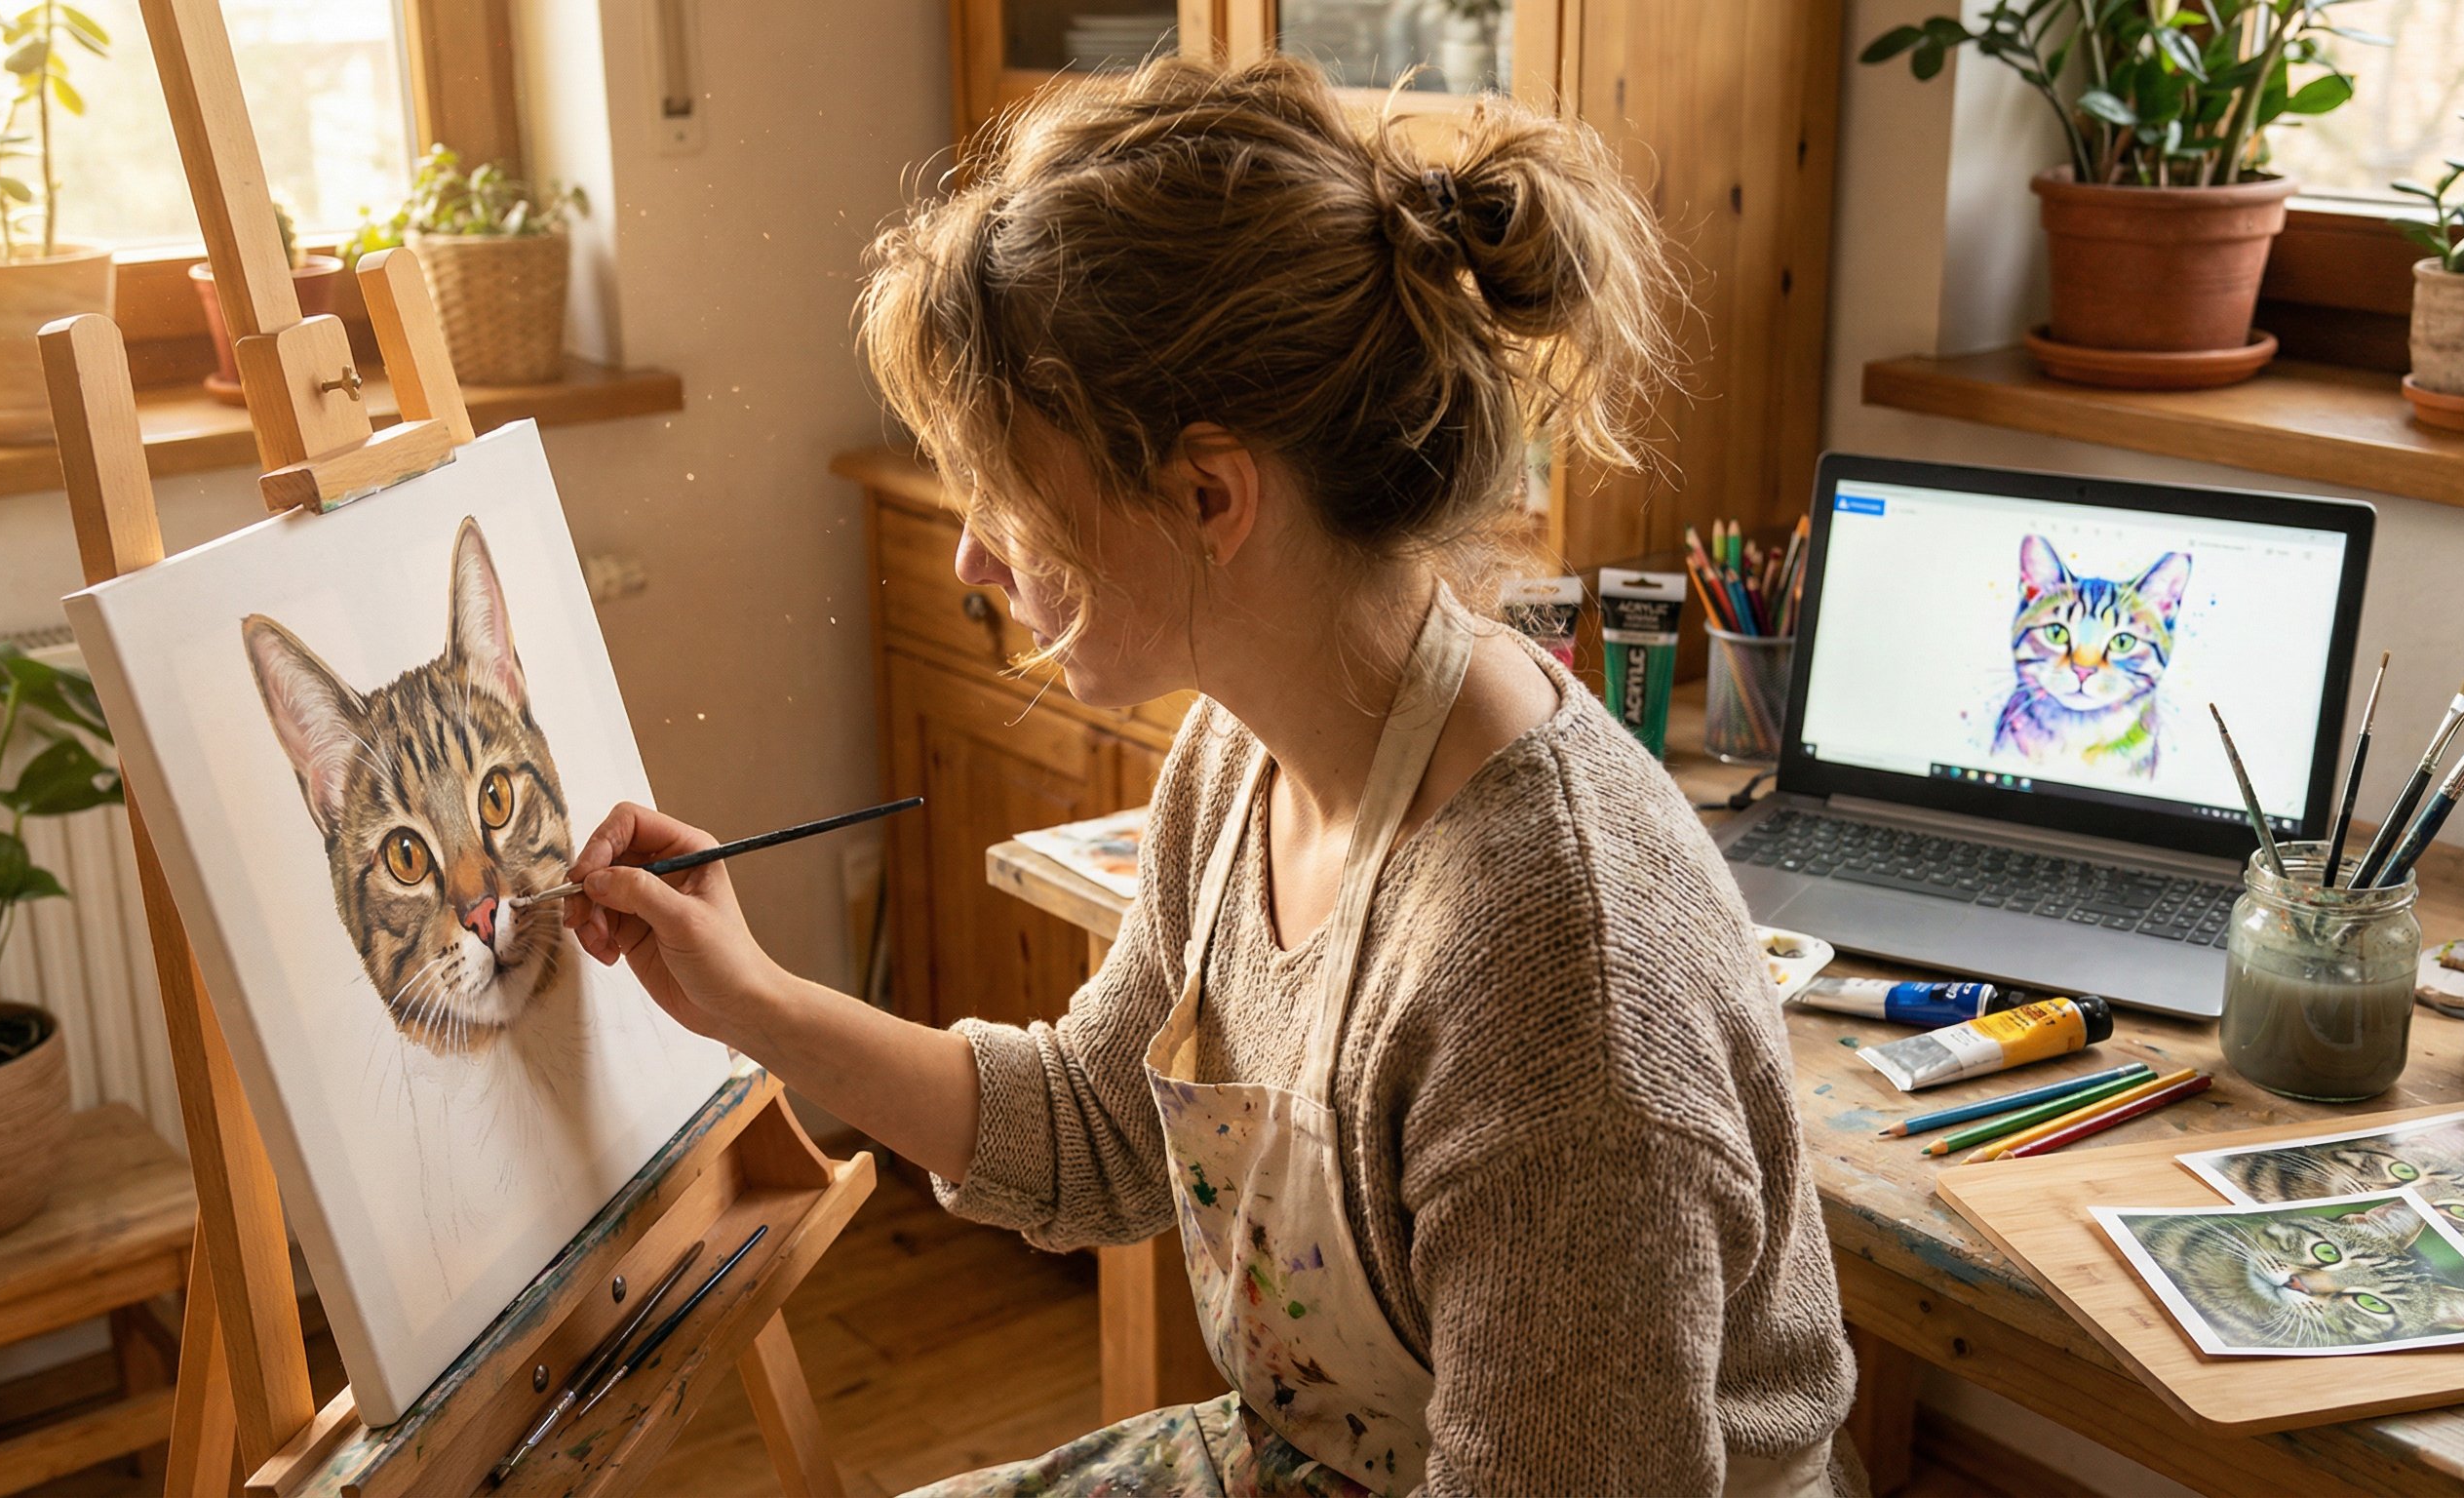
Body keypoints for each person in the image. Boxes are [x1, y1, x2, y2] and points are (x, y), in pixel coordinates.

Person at [565, 54, 1858, 1498]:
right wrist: (751, 1002)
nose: (973, 556)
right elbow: (1101, 1122)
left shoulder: (1557, 981)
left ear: (1209, 495)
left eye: (1012, 496)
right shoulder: (1245, 750)